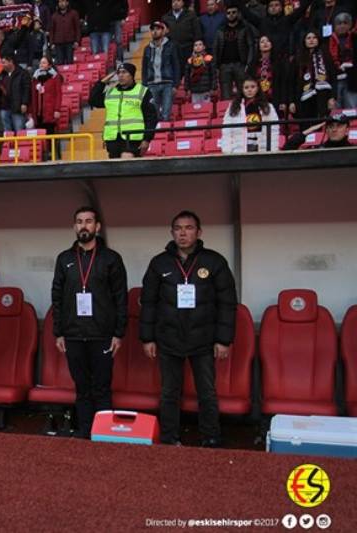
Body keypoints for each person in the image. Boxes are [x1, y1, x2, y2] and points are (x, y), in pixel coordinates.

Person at [140, 210, 237, 447]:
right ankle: (169, 438)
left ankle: (211, 438)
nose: (183, 233)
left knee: (207, 393)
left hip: (203, 340)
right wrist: (147, 338)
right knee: (169, 393)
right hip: (168, 339)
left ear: (199, 232)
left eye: (189, 228)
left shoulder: (214, 262)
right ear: (172, 233)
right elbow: (148, 303)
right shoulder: (159, 263)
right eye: (178, 228)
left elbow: (227, 303)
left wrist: (223, 340)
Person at [51, 206, 128, 438]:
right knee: (82, 388)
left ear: (97, 227)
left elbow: (121, 297)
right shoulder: (64, 259)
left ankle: (103, 433)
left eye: (88, 221)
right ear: (74, 227)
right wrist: (59, 332)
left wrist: (119, 333)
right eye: (79, 221)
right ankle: (85, 432)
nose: (84, 226)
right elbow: (57, 297)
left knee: (102, 387)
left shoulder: (111, 259)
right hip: (73, 334)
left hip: (102, 334)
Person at [90, 63, 158, 159]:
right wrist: (102, 82)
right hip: (112, 138)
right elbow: (93, 100)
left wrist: (147, 139)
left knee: (127, 158)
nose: (120, 75)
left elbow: (151, 117)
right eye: (119, 73)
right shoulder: (111, 92)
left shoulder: (143, 91)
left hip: (132, 137)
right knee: (116, 168)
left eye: (124, 72)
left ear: (131, 75)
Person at [221, 77, 280, 153]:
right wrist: (227, 151)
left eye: (253, 87)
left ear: (258, 88)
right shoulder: (233, 107)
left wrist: (273, 150)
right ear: (242, 89)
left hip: (262, 149)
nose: (249, 90)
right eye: (246, 87)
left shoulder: (268, 107)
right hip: (240, 150)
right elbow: (227, 130)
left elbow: (274, 130)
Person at [290, 31, 337, 120]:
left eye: (314, 37)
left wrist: (332, 97)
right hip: (303, 98)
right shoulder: (298, 58)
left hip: (323, 96)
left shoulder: (326, 55)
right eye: (308, 38)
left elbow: (333, 77)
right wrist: (292, 101)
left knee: (321, 123)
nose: (311, 40)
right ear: (304, 41)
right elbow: (292, 82)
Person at [142, 21, 181, 121]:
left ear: (163, 31)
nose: (155, 31)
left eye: (158, 29)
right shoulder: (147, 48)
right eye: (153, 29)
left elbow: (176, 66)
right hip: (151, 84)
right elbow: (144, 68)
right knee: (154, 114)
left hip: (167, 84)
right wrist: (144, 85)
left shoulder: (171, 46)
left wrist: (176, 85)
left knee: (166, 114)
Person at [214, 5, 253, 100]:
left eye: (233, 12)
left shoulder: (244, 28)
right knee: (226, 97)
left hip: (240, 65)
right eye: (228, 13)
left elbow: (251, 46)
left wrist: (248, 63)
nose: (231, 15)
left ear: (238, 13)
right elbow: (215, 48)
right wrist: (215, 66)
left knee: (243, 95)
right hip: (224, 66)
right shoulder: (220, 30)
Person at [161, 0, 203, 67]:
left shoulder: (191, 15)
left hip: (188, 50)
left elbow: (197, 33)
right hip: (172, 51)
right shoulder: (165, 18)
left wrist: (196, 50)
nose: (175, 3)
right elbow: (163, 36)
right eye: (173, 1)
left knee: (189, 73)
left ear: (183, 3)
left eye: (178, 0)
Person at [283, 112, 356, 149]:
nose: (334, 129)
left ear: (347, 130)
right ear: (326, 130)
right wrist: (307, 131)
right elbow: (286, 150)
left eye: (339, 126)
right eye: (330, 126)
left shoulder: (353, 150)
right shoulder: (319, 150)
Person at [329, 13, 357, 109]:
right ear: (335, 26)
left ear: (350, 25)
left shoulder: (354, 38)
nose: (342, 26)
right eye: (339, 23)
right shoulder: (329, 40)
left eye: (345, 23)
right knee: (336, 110)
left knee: (352, 107)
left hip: (352, 78)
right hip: (335, 78)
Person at [0, 55, 32, 133]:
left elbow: (26, 89)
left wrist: (24, 103)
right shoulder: (2, 75)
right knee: (6, 132)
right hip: (4, 107)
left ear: (11, 61)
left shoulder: (23, 73)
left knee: (19, 130)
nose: (2, 65)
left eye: (4, 62)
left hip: (18, 107)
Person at [31, 56, 63, 137]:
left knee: (50, 134)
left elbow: (58, 94)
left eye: (44, 63)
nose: (41, 64)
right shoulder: (35, 77)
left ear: (49, 65)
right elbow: (33, 95)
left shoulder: (55, 77)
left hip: (50, 110)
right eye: (41, 62)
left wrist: (57, 109)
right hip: (38, 111)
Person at [185, 39, 216, 104]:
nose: (198, 46)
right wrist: (187, 89)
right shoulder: (190, 61)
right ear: (193, 48)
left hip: (206, 90)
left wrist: (213, 88)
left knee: (206, 109)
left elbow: (213, 74)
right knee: (196, 111)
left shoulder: (209, 58)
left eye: (200, 44)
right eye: (196, 45)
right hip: (195, 91)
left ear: (204, 47)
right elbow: (187, 77)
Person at [49, 0, 81, 65]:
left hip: (70, 42)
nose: (62, 3)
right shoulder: (54, 16)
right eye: (60, 2)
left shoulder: (73, 13)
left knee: (70, 62)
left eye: (63, 1)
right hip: (58, 43)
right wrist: (51, 43)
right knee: (60, 63)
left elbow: (77, 28)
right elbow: (52, 30)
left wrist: (77, 41)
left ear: (67, 3)